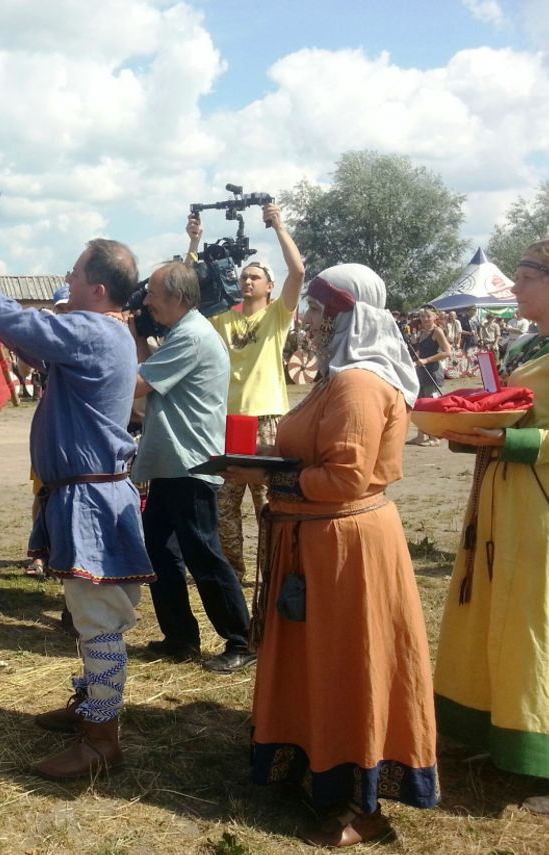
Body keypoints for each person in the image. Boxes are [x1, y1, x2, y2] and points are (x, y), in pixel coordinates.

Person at [226, 263, 437, 846]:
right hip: (318, 544)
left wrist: (270, 478)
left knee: (347, 664)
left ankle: (358, 803)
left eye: (318, 308)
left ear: (347, 315)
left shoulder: (357, 384)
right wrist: (264, 457)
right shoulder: (335, 378)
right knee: (318, 661)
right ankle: (314, 765)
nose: (308, 318)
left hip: (346, 550)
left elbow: (345, 478)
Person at [0, 239, 154, 779]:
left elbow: (29, 328)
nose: (67, 281)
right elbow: (35, 343)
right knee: (89, 614)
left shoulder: (94, 330)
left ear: (98, 288)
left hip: (92, 499)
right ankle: (91, 705)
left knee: (98, 621)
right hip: (86, 494)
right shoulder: (102, 332)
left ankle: (102, 738)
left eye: (74, 273)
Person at [432, 239, 549, 816]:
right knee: (490, 609)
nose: (514, 286)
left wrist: (512, 440)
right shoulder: (526, 344)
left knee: (536, 622)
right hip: (502, 499)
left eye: (526, 276)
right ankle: (495, 727)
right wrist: (470, 427)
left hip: (541, 506)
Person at [131, 261, 255, 673]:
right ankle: (180, 638)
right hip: (174, 464)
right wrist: (137, 339)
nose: (147, 300)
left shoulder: (192, 336)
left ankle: (242, 640)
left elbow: (138, 384)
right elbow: (150, 374)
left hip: (190, 464)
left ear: (178, 297)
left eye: (152, 292)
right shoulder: (183, 333)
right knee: (160, 552)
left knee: (204, 555)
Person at [189, 204, 305, 581]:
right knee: (224, 505)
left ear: (269, 286)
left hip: (267, 418)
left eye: (255, 276)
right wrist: (194, 243)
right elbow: (189, 292)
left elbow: (298, 272)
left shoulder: (276, 316)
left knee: (268, 500)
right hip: (228, 420)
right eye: (243, 276)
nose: (247, 281)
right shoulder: (223, 319)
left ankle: (272, 570)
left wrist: (279, 226)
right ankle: (232, 572)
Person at [406, 304, 453, 447]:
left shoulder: (437, 331)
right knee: (420, 404)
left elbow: (447, 352)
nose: (425, 319)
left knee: (431, 405)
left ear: (435, 317)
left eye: (428, 316)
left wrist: (426, 360)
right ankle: (421, 436)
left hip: (432, 371)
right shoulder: (421, 332)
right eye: (422, 316)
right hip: (421, 372)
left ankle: (435, 437)